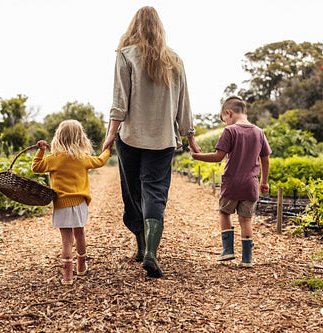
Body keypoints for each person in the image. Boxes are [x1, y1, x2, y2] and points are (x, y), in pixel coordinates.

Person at [102, 6, 200, 278]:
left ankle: (142, 245)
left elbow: (119, 100)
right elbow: (184, 103)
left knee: (133, 192)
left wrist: (111, 134)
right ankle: (151, 252)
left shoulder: (125, 55)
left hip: (131, 138)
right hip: (163, 140)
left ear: (134, 26)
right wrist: (189, 136)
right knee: (155, 192)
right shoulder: (175, 60)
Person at [189, 96, 271, 267]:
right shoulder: (259, 132)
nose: (226, 122)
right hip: (251, 185)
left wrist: (196, 156)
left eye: (224, 119)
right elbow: (265, 159)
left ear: (229, 113)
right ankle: (247, 259)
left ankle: (228, 250)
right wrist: (263, 181)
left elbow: (218, 157)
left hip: (232, 183)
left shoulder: (230, 131)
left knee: (224, 213)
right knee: (246, 220)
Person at [32, 120, 110, 284]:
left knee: (66, 241)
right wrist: (108, 150)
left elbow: (36, 167)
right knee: (79, 233)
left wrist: (41, 151)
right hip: (79, 203)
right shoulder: (82, 158)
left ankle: (67, 276)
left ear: (58, 138)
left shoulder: (54, 159)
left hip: (61, 204)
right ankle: (81, 266)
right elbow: (100, 161)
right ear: (81, 139)